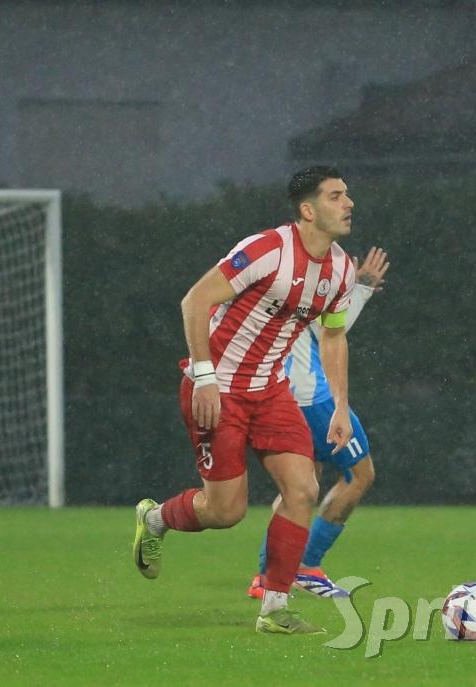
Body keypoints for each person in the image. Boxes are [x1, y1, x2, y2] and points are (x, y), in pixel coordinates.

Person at [132, 166, 356, 635]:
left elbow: (334, 337)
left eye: (347, 195)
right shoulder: (268, 249)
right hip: (218, 389)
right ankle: (154, 519)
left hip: (270, 391)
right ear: (308, 209)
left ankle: (274, 609)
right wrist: (204, 376)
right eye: (336, 196)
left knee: (303, 490)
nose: (349, 203)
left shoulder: (342, 269)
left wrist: (340, 405)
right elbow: (195, 301)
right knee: (225, 512)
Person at [247, 246, 389, 600]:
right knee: (359, 475)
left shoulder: (281, 276)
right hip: (313, 397)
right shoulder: (310, 280)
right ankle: (306, 566)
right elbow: (330, 331)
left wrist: (352, 288)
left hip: (281, 392)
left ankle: (267, 576)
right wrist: (361, 288)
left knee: (300, 485)